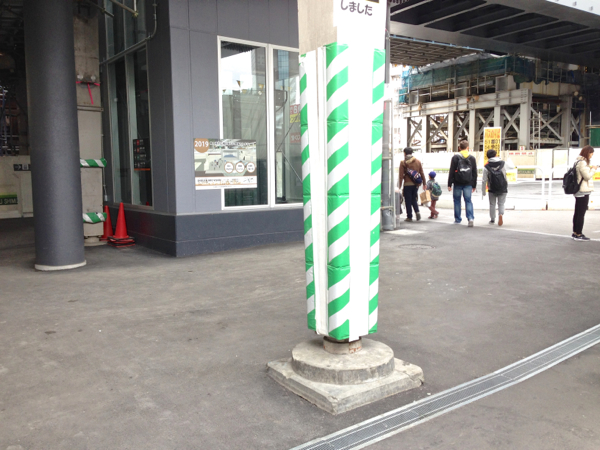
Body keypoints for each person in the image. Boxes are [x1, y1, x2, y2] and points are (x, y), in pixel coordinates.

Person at [448, 140, 477, 226]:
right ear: (468, 148)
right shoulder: (472, 158)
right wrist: (474, 185)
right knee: (468, 201)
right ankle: (470, 218)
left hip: (457, 182)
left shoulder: (455, 158)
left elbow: (451, 171)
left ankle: (457, 219)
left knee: (457, 201)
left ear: (459, 148)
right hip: (468, 183)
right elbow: (474, 172)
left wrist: (449, 184)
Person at [572, 145, 596, 241]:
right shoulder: (582, 163)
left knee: (577, 212)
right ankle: (579, 233)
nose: (591, 156)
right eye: (591, 154)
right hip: (583, 190)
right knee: (581, 213)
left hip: (579, 190)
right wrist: (593, 169)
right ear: (588, 153)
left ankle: (575, 232)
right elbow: (587, 176)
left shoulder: (578, 161)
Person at [482, 149, 512, 226]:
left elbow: (484, 180)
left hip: (492, 188)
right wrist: (509, 159)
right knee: (501, 203)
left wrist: (483, 191)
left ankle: (492, 219)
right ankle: (500, 214)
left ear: (488, 157)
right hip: (503, 187)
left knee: (492, 204)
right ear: (496, 155)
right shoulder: (503, 163)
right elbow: (512, 167)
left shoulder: (486, 167)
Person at [398, 147, 426, 222]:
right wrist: (424, 183)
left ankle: (409, 216)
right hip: (416, 184)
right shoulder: (418, 161)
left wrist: (399, 186)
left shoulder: (403, 162)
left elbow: (401, 176)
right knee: (414, 199)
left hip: (407, 184)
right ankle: (417, 212)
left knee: (408, 200)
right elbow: (422, 173)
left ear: (404, 153)